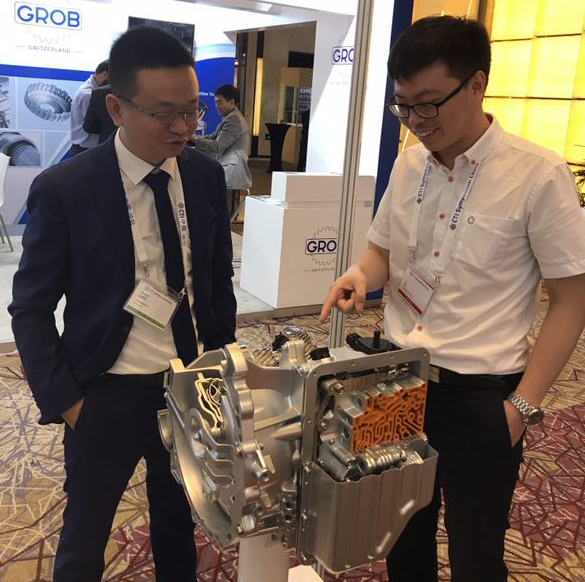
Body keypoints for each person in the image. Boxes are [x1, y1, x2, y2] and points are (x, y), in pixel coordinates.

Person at [320, 15, 585, 582]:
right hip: (397, 383)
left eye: (429, 104)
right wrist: (360, 275)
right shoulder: (409, 162)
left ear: (476, 84)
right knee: (399, 535)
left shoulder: (538, 175)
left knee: (475, 552)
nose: (416, 121)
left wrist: (522, 409)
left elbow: (571, 300)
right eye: (403, 107)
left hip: (481, 397)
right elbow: (381, 251)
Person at [9, 25, 236, 582]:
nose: (183, 127)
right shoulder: (67, 188)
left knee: (180, 522)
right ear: (116, 108)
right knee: (86, 533)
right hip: (103, 391)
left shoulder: (205, 177)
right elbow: (30, 308)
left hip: (189, 386)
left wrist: (221, 366)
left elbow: (215, 282)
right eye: (164, 114)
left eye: (193, 110)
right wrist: (67, 402)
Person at [190, 84, 252, 190]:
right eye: (215, 102)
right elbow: (213, 137)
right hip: (226, 169)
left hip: (230, 172)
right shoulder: (229, 117)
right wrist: (193, 138)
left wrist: (194, 139)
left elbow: (218, 146)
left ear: (231, 102)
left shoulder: (234, 119)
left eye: (219, 103)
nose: (216, 106)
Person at [69, 59, 109, 156]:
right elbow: (92, 125)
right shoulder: (88, 94)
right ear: (104, 74)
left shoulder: (91, 89)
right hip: (85, 148)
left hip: (85, 147)